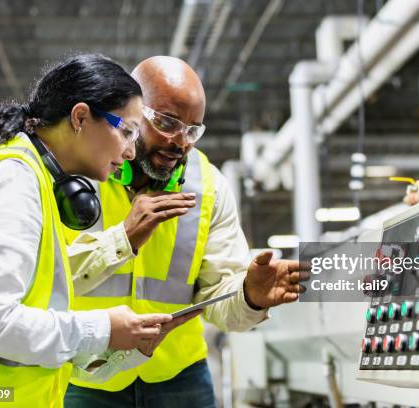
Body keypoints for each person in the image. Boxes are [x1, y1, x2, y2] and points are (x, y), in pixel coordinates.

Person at [0, 54, 197, 408]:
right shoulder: (11, 184)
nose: (130, 150)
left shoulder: (36, 180)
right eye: (126, 131)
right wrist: (103, 328)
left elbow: (33, 340)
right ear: (80, 117)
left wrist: (126, 345)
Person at [64, 56, 309, 408]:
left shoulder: (208, 187)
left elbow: (220, 301)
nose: (181, 142)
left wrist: (249, 295)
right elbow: (45, 279)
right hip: (85, 372)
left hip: (179, 377)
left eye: (192, 129)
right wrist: (122, 240)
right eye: (166, 122)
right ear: (133, 113)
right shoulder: (78, 174)